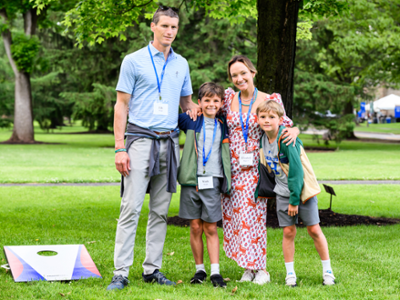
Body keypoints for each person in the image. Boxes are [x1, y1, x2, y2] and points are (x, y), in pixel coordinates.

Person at [107, 5, 199, 291]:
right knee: (131, 208)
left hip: (170, 143)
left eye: (174, 27)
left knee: (160, 211)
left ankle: (152, 270)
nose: (170, 31)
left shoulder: (181, 63)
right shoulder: (133, 61)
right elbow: (121, 105)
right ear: (153, 26)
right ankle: (121, 272)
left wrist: (203, 110)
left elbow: (187, 104)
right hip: (139, 141)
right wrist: (119, 147)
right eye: (165, 26)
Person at [220, 55, 299, 284]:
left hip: (256, 167)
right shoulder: (228, 99)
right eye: (234, 75)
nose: (239, 78)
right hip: (232, 168)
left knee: (254, 218)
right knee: (236, 218)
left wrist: (296, 131)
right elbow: (210, 110)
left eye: (243, 73)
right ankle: (248, 267)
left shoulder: (268, 99)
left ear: (253, 73)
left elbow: (285, 124)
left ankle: (261, 269)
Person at [256, 100, 335, 287]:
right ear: (258, 119)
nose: (267, 121)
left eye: (271, 117)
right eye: (263, 117)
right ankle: (290, 275)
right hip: (282, 192)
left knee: (314, 229)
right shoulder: (262, 139)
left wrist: (294, 201)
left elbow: (296, 172)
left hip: (300, 191)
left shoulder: (286, 139)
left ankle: (328, 272)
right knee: (288, 232)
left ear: (281, 119)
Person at [177, 82, 231, 288]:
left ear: (221, 103)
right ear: (199, 102)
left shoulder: (224, 124)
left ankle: (215, 272)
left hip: (213, 181)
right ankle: (200, 269)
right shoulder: (191, 121)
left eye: (215, 101)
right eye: (206, 100)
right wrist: (190, 107)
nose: (211, 104)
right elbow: (168, 121)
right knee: (195, 225)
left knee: (210, 227)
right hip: (191, 180)